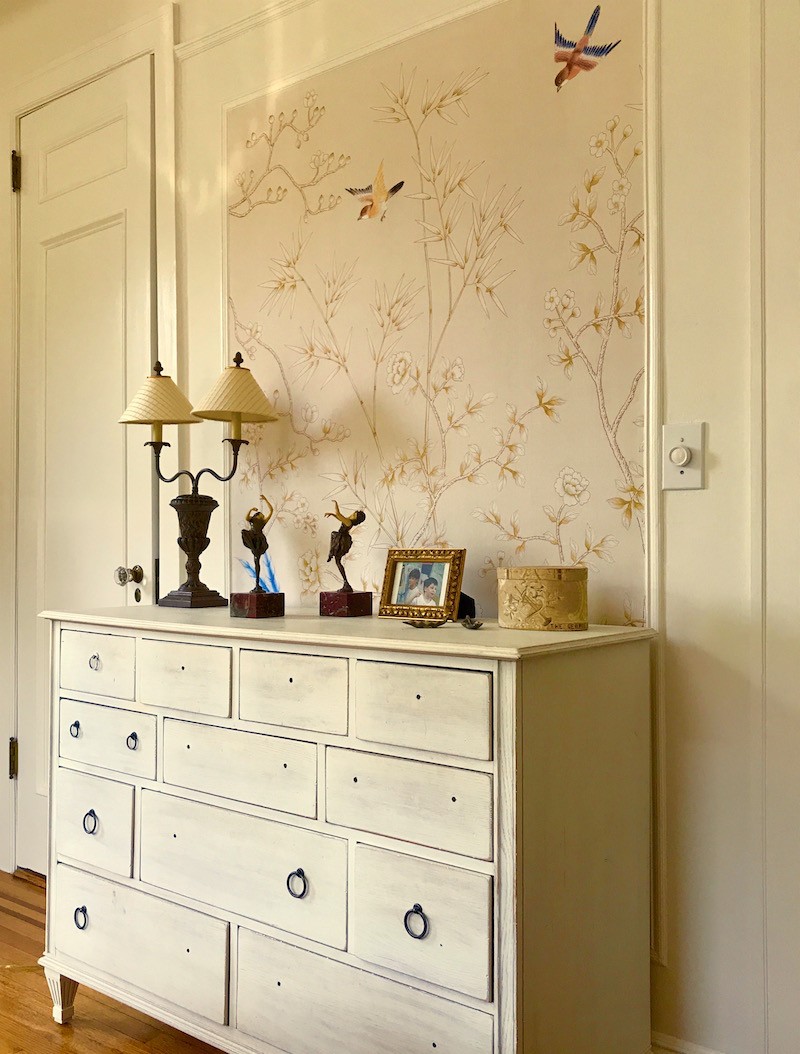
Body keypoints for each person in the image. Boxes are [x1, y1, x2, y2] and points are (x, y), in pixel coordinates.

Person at [325, 500, 367, 592]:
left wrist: (336, 504)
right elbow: (339, 517)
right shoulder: (348, 521)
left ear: (355, 517)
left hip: (341, 540)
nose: (352, 513)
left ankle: (346, 582)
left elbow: (339, 514)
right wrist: (332, 514)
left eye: (354, 514)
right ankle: (346, 582)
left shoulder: (349, 522)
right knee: (337, 561)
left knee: (338, 560)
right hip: (341, 538)